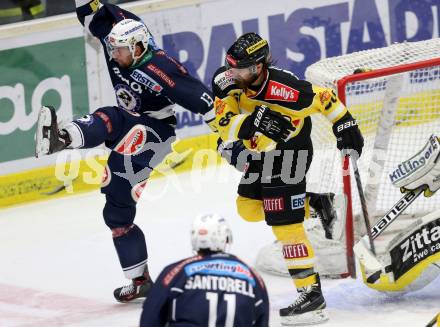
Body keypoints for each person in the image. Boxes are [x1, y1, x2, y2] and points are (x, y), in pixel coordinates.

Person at [35, 0, 215, 303]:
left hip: (156, 134)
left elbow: (205, 103)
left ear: (137, 47)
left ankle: (61, 137)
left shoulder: (160, 66)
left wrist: (231, 140)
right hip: (133, 133)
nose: (113, 55)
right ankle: (140, 279)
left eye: (119, 50)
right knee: (116, 211)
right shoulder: (120, 43)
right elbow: (93, 16)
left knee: (112, 118)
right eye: (113, 49)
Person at [212, 32, 364, 325]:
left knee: (285, 225)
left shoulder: (286, 89)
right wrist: (253, 121)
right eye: (229, 66)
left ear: (257, 67)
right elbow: (224, 126)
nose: (231, 74)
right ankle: (317, 203)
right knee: (248, 207)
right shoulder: (227, 80)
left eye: (238, 68)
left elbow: (324, 98)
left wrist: (345, 124)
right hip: (262, 154)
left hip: (291, 156)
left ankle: (311, 295)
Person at [140, 213, 269, 327]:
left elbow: (151, 314)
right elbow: (262, 320)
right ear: (225, 237)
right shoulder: (253, 276)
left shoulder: (176, 271)